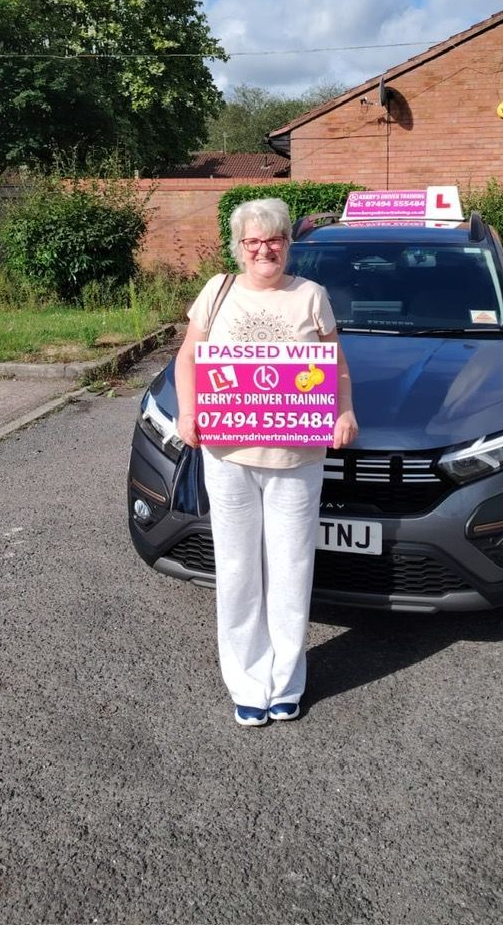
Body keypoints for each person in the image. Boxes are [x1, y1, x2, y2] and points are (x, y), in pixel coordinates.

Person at [174, 197, 358, 727]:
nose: (263, 249)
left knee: (291, 567)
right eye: (253, 241)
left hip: (296, 455)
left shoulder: (310, 296)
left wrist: (344, 411)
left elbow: (337, 364)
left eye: (273, 239)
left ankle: (285, 682)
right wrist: (189, 411)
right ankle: (247, 681)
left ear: (286, 244)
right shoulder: (217, 290)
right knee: (236, 568)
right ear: (239, 247)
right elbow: (189, 356)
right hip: (228, 453)